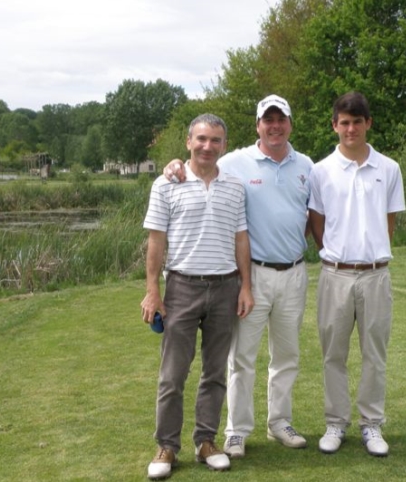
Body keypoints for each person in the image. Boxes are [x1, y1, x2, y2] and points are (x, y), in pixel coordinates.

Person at [163, 95, 313, 458]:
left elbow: (312, 214)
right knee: (241, 357)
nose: (275, 126)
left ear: (290, 124)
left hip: (294, 272)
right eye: (268, 120)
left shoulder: (307, 165)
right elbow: (200, 161)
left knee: (287, 355)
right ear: (258, 125)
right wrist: (173, 167)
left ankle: (280, 422)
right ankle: (236, 431)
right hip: (253, 274)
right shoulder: (235, 161)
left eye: (281, 119)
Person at [141, 113, 254, 480]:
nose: (208, 146)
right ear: (189, 141)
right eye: (201, 139)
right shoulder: (166, 183)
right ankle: (167, 447)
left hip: (225, 287)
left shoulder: (235, 186)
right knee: (172, 375)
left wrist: (246, 286)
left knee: (215, 372)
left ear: (224, 145)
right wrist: (152, 291)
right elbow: (156, 241)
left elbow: (240, 239)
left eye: (216, 140)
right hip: (182, 287)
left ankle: (206, 441)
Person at [307, 92, 405, 457]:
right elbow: (317, 225)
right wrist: (337, 258)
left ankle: (372, 424)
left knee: (374, 354)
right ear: (335, 125)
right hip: (335, 275)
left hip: (376, 275)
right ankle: (335, 422)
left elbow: (388, 223)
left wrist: (369, 258)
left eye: (357, 122)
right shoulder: (320, 170)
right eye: (344, 122)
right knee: (333, 354)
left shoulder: (389, 168)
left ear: (368, 124)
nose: (351, 128)